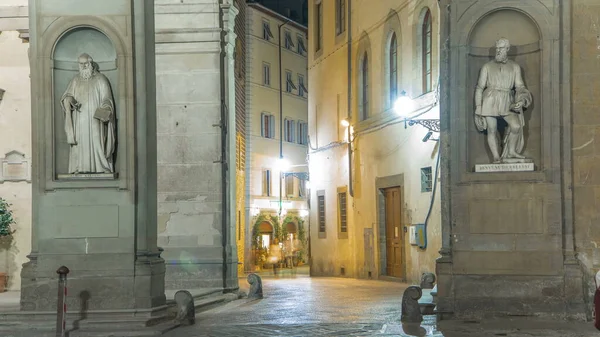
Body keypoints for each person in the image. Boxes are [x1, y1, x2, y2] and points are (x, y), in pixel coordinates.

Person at [474, 38, 532, 163]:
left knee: (516, 126)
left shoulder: (515, 67)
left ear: (507, 49)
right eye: (497, 48)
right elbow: (479, 88)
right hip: (490, 99)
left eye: (501, 48)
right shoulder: (487, 66)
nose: (498, 51)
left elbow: (520, 86)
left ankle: (511, 152)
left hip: (507, 99)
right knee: (492, 129)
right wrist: (478, 107)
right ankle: (496, 157)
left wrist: (521, 100)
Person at [61, 53, 116, 174]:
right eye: (81, 64)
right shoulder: (75, 80)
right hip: (80, 118)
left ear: (90, 64)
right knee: (80, 144)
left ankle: (101, 167)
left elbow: (107, 99)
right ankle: (79, 168)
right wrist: (68, 100)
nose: (84, 66)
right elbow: (68, 95)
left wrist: (105, 109)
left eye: (86, 64)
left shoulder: (101, 79)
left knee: (97, 141)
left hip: (96, 118)